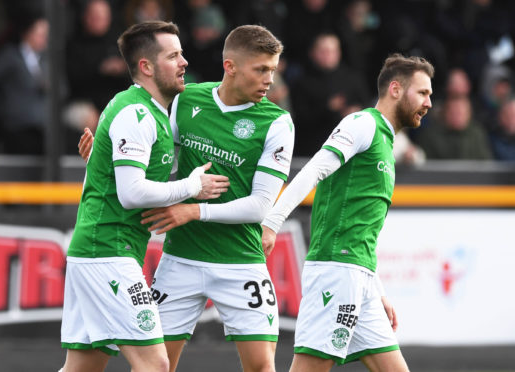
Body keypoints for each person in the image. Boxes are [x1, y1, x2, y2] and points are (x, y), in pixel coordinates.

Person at [59, 21, 229, 372]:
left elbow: (119, 180)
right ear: (146, 67)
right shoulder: (137, 113)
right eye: (173, 55)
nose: (184, 62)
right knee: (154, 364)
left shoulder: (142, 109)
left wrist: (98, 162)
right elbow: (132, 193)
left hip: (99, 252)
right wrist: (192, 188)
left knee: (82, 367)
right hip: (108, 252)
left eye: (181, 53)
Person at [136, 25, 295, 372]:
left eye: (273, 69)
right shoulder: (186, 100)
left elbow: (259, 206)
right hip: (181, 259)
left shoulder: (277, 122)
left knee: (261, 368)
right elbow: (154, 162)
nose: (270, 79)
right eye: (261, 69)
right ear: (230, 66)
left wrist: (194, 210)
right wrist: (103, 159)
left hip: (240, 262)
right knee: (153, 366)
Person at [261, 53, 434, 371]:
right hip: (336, 271)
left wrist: (375, 285)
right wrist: (271, 223)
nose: (429, 103)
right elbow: (312, 171)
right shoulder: (362, 124)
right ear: (395, 89)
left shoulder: (386, 139)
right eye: (423, 93)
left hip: (359, 275)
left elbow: (361, 226)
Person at [0, 14, 50, 154]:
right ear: (27, 33)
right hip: (17, 126)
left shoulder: (47, 60)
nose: (44, 39)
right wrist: (1, 110)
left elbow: (62, 88)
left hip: (44, 126)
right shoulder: (10, 55)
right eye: (40, 34)